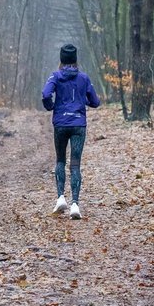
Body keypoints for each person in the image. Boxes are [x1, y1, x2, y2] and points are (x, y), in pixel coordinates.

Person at [41, 43, 100, 219]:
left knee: (60, 161)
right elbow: (95, 101)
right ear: (75, 59)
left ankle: (60, 198)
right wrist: (83, 101)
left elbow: (45, 94)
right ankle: (75, 204)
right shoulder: (84, 78)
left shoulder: (55, 76)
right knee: (75, 164)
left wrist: (51, 106)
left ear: (61, 59)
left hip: (60, 123)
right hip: (78, 125)